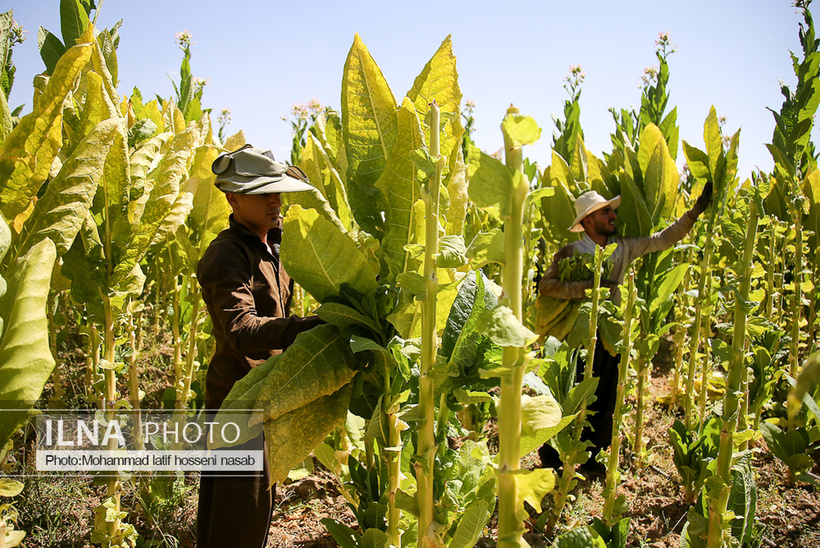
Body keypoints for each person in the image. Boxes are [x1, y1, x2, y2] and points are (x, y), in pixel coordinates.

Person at [537, 183, 712, 476]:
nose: (612, 215)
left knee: (605, 396)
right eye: (605, 211)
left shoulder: (624, 246)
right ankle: (553, 455)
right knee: (570, 394)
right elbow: (546, 286)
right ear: (588, 221)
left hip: (610, 335)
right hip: (579, 337)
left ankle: (591, 458)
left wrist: (694, 213)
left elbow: (663, 239)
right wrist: (587, 289)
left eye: (611, 211)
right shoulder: (570, 252)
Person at [196, 144, 323, 547]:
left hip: (268, 393)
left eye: (278, 191)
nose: (275, 200)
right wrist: (312, 327)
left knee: (250, 509)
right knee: (237, 513)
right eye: (261, 192)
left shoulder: (274, 243)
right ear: (233, 199)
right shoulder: (226, 255)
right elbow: (242, 330)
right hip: (237, 398)